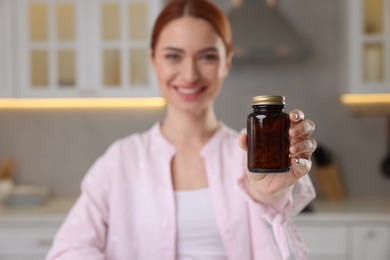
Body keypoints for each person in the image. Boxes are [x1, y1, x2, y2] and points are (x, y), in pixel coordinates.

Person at [46, 0, 316, 259]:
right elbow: (68, 251)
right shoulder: (120, 161)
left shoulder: (252, 156)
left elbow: (279, 214)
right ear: (153, 60)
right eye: (173, 56)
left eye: (207, 57)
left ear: (227, 62)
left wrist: (269, 193)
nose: (189, 75)